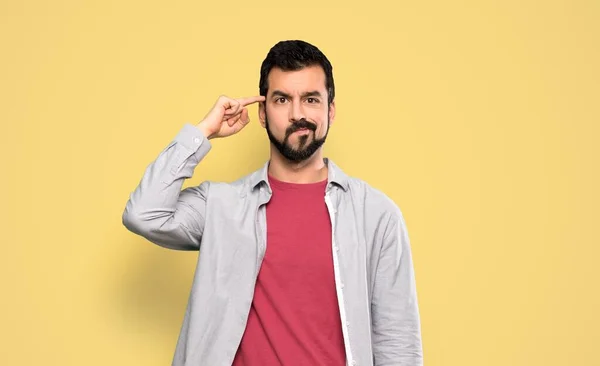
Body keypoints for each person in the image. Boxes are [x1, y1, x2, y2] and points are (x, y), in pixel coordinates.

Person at [122, 40, 423, 366]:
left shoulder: (376, 216)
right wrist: (203, 132)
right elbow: (144, 214)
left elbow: (398, 344)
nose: (297, 114)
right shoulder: (222, 206)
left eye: (311, 99)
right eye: (282, 100)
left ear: (330, 110)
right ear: (263, 113)